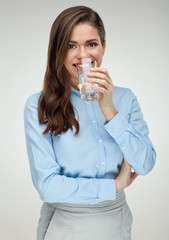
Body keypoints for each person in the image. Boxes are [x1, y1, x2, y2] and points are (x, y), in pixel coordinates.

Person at [24, 5, 156, 240]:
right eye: (71, 45)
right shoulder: (39, 105)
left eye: (91, 44)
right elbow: (48, 185)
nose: (83, 55)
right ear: (58, 50)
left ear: (104, 46)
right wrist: (113, 187)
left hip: (117, 220)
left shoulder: (125, 98)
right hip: (65, 224)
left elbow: (145, 163)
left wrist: (109, 110)